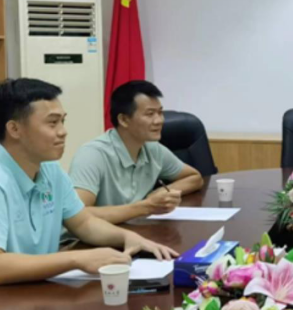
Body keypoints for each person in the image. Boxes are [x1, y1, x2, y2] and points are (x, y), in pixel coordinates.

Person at [0, 78, 178, 310]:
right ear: (14, 129)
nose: (63, 131)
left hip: (24, 299)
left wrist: (127, 237)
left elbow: (83, 223)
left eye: (62, 121)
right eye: (52, 123)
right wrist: (77, 259)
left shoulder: (48, 169)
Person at [68, 80, 203, 224]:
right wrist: (146, 206)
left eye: (160, 112)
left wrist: (161, 193)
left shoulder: (152, 148)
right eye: (150, 114)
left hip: (133, 228)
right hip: (95, 235)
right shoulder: (92, 155)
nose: (159, 120)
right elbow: (77, 214)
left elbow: (194, 177)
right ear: (124, 120)